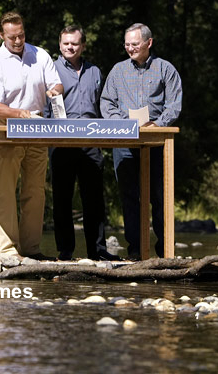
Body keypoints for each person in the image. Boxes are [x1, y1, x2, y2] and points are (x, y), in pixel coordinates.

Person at [0, 11, 63, 260]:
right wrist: (20, 113)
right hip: (7, 125)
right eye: (12, 37)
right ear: (1, 35)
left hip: (37, 126)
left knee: (35, 190)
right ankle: (7, 250)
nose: (17, 41)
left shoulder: (40, 54)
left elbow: (57, 83)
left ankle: (32, 249)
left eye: (21, 35)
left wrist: (54, 90)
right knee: (6, 190)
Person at [101, 23, 182, 260]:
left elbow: (174, 104)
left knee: (159, 195)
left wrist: (158, 124)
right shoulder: (117, 70)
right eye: (127, 44)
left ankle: (165, 250)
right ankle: (136, 250)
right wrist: (121, 124)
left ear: (149, 43)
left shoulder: (165, 69)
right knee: (129, 196)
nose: (130, 48)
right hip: (124, 142)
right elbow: (107, 102)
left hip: (157, 142)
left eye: (134, 44)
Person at [48, 25, 120, 261]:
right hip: (61, 141)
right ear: (60, 44)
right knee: (62, 199)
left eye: (75, 43)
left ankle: (97, 250)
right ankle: (65, 251)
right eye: (66, 43)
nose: (70, 47)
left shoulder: (95, 71)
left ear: (83, 45)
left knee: (94, 200)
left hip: (91, 142)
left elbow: (103, 105)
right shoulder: (52, 69)